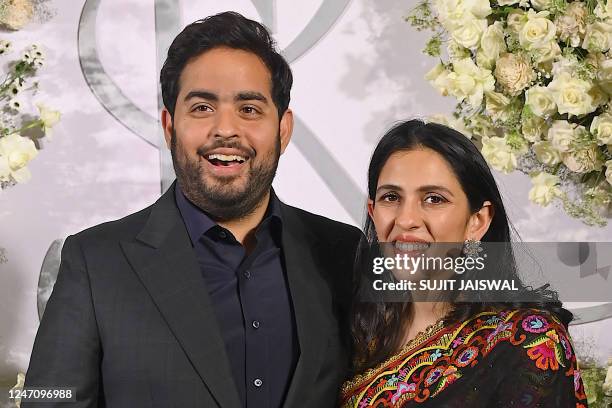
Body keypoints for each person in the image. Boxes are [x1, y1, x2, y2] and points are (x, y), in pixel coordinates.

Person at [24, 12, 362, 408]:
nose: (225, 129)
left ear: (283, 129)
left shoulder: (342, 252)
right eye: (202, 107)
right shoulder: (95, 261)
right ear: (169, 126)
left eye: (249, 109)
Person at [340, 120, 588, 407]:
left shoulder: (524, 342)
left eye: (434, 199)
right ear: (373, 211)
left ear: (477, 221)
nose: (406, 220)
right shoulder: (351, 326)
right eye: (391, 197)